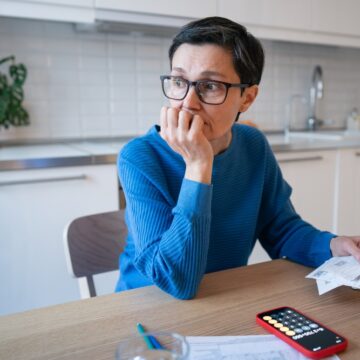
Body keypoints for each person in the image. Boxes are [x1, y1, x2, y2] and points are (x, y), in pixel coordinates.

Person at [115, 16, 360, 299]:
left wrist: (332, 245)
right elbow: (176, 281)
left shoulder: (253, 145)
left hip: (224, 299)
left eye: (209, 86)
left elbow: (281, 230)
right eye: (179, 81)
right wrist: (198, 166)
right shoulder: (140, 157)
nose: (188, 103)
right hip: (147, 309)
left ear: (247, 98)